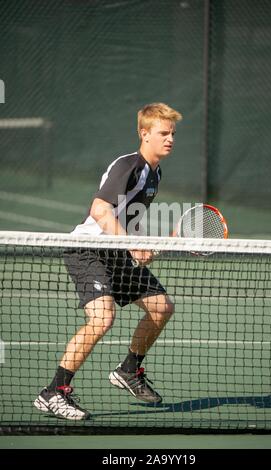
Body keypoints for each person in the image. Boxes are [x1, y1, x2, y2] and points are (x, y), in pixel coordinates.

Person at [34, 103, 182, 420]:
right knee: (102, 319)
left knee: (162, 307)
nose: (170, 139)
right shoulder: (129, 165)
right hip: (87, 249)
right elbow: (100, 210)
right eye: (163, 133)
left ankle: (129, 369)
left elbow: (127, 218)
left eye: (172, 133)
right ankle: (53, 393)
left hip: (116, 251)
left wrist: (139, 244)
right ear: (144, 134)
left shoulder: (155, 173)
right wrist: (131, 247)